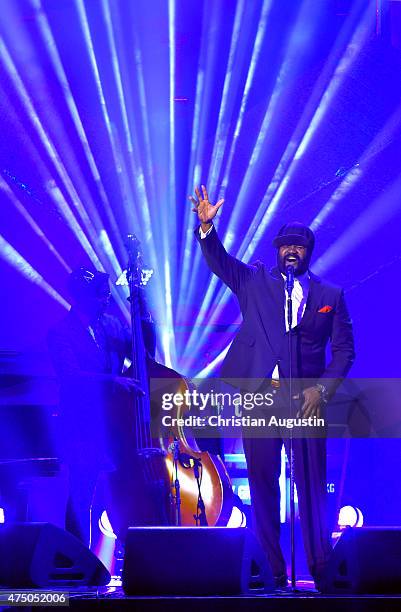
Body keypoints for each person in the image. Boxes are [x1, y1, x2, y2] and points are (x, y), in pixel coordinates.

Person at [190, 185, 355, 590]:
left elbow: (345, 351)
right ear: (277, 250)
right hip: (262, 396)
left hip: (305, 400)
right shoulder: (255, 282)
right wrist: (207, 228)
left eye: (299, 245)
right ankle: (273, 570)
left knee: (312, 485)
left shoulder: (330, 295)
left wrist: (321, 390)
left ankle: (320, 568)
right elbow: (221, 262)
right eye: (285, 245)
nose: (291, 251)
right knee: (263, 482)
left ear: (309, 252)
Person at [47, 267, 143, 547]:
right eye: (100, 295)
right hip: (81, 423)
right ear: (81, 297)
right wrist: (113, 381)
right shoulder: (60, 333)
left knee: (121, 488)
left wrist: (141, 310)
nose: (106, 300)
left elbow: (142, 349)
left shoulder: (109, 326)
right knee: (82, 490)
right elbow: (71, 375)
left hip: (113, 423)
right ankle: (78, 557)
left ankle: (132, 551)